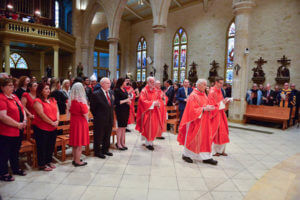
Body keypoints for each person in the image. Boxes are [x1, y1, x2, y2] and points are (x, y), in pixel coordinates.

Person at [177, 79, 218, 165]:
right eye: (204, 85)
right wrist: (204, 109)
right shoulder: (193, 96)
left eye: (206, 85)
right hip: (195, 122)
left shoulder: (203, 95)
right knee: (193, 138)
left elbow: (205, 105)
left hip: (204, 121)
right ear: (198, 85)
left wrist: (209, 107)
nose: (206, 87)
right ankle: (186, 155)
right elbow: (192, 110)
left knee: (205, 139)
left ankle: (206, 157)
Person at [0, 78, 27, 181]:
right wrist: (17, 124)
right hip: (7, 131)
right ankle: (3, 173)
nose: (12, 87)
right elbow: (2, 116)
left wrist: (24, 119)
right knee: (4, 153)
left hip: (18, 130)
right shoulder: (1, 98)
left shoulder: (14, 96)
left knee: (15, 151)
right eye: (9, 86)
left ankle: (16, 168)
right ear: (2, 87)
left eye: (12, 85)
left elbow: (22, 109)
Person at [33, 82, 59, 171]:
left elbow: (57, 111)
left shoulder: (52, 99)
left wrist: (57, 121)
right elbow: (41, 114)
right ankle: (42, 164)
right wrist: (52, 122)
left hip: (53, 127)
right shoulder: (37, 101)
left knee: (50, 145)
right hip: (42, 127)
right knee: (42, 146)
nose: (48, 90)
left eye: (48, 88)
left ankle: (49, 161)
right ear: (40, 91)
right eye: (46, 89)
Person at [136, 77, 165, 151]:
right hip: (147, 112)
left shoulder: (156, 91)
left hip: (154, 112)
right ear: (148, 82)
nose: (153, 83)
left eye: (153, 82)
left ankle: (151, 141)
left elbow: (159, 98)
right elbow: (143, 101)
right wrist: (152, 103)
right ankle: (148, 143)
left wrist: (158, 103)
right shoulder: (144, 91)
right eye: (151, 82)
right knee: (148, 128)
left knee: (154, 127)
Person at [90, 77, 114, 159]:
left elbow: (111, 105)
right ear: (102, 84)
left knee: (107, 135)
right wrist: (98, 116)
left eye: (109, 83)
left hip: (109, 118)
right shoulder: (96, 94)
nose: (109, 85)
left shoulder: (110, 92)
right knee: (99, 135)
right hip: (100, 119)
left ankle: (105, 149)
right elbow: (92, 108)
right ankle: (97, 151)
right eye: (107, 83)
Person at [208, 77, 230, 156]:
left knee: (223, 131)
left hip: (221, 113)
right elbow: (211, 105)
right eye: (220, 83)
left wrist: (225, 101)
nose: (221, 85)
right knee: (215, 132)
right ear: (216, 82)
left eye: (222, 83)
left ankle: (221, 150)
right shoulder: (212, 91)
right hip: (215, 114)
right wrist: (222, 103)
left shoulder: (220, 90)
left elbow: (220, 101)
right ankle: (214, 151)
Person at [68, 83, 89, 167]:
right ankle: (78, 161)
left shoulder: (72, 101)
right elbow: (85, 113)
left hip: (74, 122)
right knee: (79, 144)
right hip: (80, 123)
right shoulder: (81, 102)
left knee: (74, 143)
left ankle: (74, 159)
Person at [114, 78, 131, 150]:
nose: (126, 82)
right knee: (120, 127)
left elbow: (126, 98)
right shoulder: (117, 90)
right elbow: (116, 102)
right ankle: (118, 143)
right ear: (121, 82)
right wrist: (126, 100)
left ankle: (123, 142)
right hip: (120, 110)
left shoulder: (124, 89)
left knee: (124, 127)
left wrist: (128, 101)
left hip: (126, 110)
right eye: (125, 81)